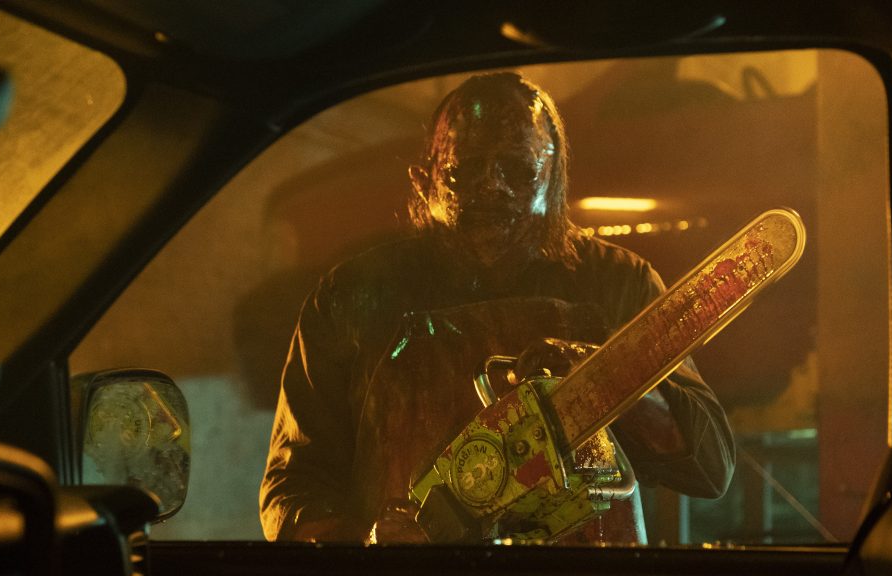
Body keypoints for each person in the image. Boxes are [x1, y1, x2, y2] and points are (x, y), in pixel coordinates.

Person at [260, 72, 734, 544]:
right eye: (466, 169)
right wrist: (367, 543)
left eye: (517, 169)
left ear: (554, 180)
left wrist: (603, 380)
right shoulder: (353, 295)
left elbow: (710, 465)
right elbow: (293, 487)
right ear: (424, 181)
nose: (492, 187)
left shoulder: (619, 286)